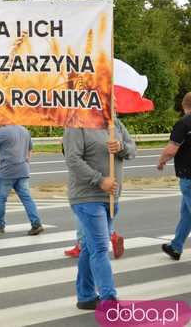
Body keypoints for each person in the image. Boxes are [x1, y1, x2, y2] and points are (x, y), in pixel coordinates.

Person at [63, 116, 135, 310]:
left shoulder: (115, 122)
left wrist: (121, 147)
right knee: (101, 247)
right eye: (109, 97)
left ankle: (86, 296)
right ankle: (109, 297)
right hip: (87, 196)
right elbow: (72, 159)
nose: (113, 100)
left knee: (89, 246)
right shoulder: (77, 123)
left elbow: (132, 149)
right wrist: (99, 180)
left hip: (111, 197)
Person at [0, 124, 44, 235]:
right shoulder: (24, 130)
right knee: (27, 199)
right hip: (23, 170)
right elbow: (30, 149)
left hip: (7, 171)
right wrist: (26, 163)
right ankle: (36, 224)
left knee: (1, 198)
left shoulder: (3, 131)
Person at [158, 92, 191, 261]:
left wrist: (161, 161)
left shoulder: (184, 123)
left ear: (183, 105)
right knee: (186, 214)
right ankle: (176, 247)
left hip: (189, 176)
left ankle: (176, 246)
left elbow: (171, 149)